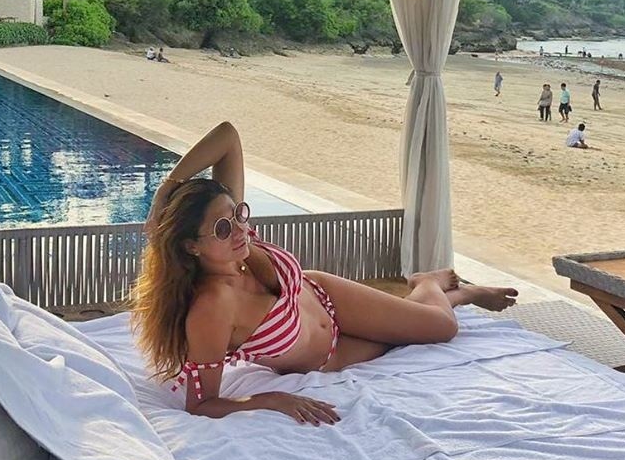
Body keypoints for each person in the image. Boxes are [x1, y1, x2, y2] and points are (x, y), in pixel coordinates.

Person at [131, 122, 520, 423]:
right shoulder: (212, 307)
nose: (239, 231)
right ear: (191, 246)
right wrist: (269, 399)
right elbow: (201, 404)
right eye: (222, 228)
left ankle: (428, 282)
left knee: (442, 328)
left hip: (326, 295)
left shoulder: (239, 245)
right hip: (329, 354)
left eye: (239, 215)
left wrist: (165, 191)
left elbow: (228, 136)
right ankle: (452, 293)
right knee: (410, 339)